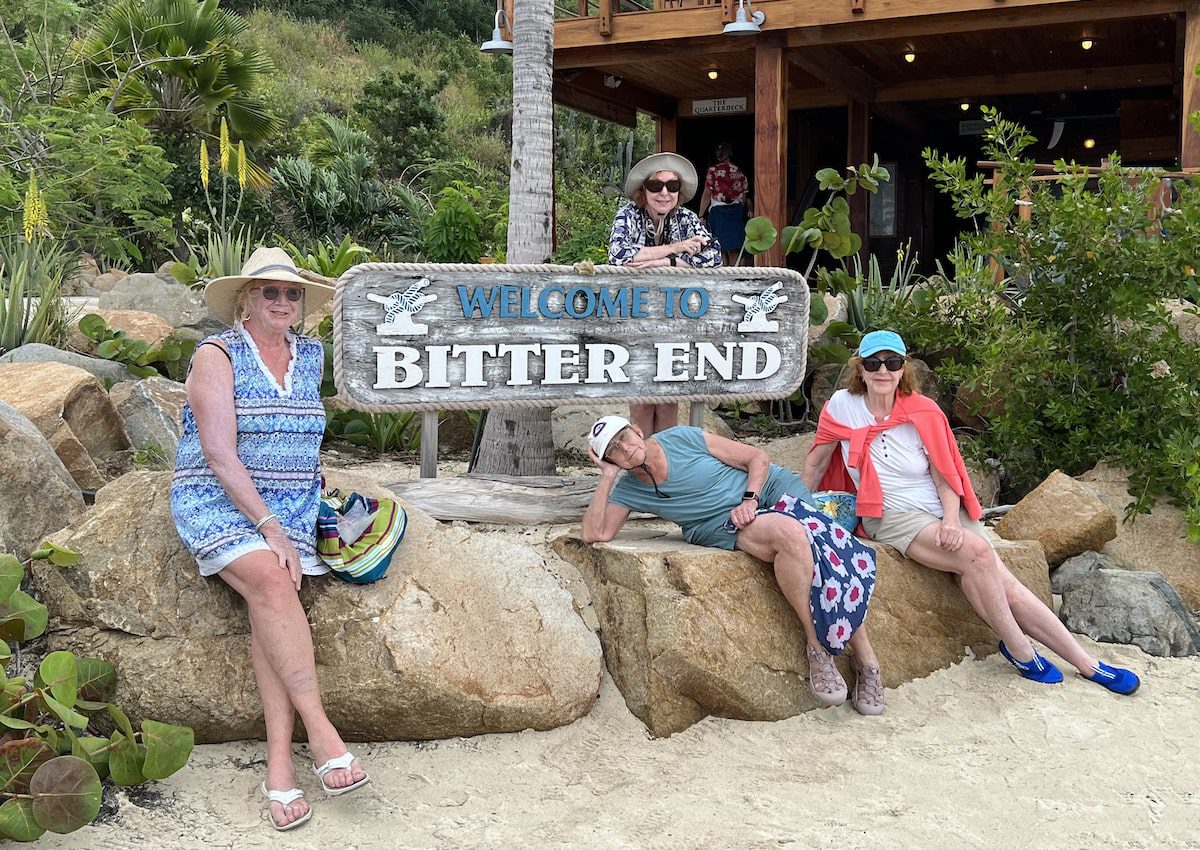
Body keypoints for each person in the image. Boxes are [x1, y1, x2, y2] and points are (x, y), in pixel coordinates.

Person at [803, 330, 1140, 695]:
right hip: (888, 512)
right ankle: (1021, 649)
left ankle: (1086, 663)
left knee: (1003, 579)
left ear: (903, 368)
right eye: (873, 363)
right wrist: (798, 506)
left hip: (935, 504)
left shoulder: (922, 411)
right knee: (978, 554)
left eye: (892, 362)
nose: (882, 371)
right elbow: (817, 461)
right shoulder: (841, 406)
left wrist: (950, 519)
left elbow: (944, 474)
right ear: (861, 370)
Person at [171, 246, 370, 832]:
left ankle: (279, 766)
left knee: (273, 600)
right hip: (220, 498)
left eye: (291, 293)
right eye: (269, 292)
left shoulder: (308, 354)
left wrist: (314, 488)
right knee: (270, 576)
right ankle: (321, 730)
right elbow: (218, 452)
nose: (283, 301)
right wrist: (269, 527)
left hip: (294, 501)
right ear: (245, 299)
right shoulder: (217, 353)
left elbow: (304, 431)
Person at [582, 415, 886, 715]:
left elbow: (757, 457)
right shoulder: (628, 488)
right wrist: (607, 478)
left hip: (765, 489)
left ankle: (866, 659)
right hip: (722, 522)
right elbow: (596, 533)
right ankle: (817, 646)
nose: (624, 449)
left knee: (820, 541)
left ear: (637, 429)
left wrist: (750, 499)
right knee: (793, 534)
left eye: (624, 437)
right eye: (613, 451)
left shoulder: (680, 438)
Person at [608, 152, 722, 437]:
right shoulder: (628, 214)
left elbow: (714, 256)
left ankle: (661, 471)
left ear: (679, 192)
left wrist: (661, 262)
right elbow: (620, 255)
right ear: (642, 190)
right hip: (636, 317)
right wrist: (676, 248)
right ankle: (640, 467)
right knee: (641, 400)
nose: (663, 193)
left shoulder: (687, 218)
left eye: (672, 186)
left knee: (669, 399)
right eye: (655, 185)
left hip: (675, 318)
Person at [698, 142, 751, 266]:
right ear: (730, 153)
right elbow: (744, 196)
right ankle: (736, 277)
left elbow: (707, 192)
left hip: (718, 213)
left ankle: (724, 277)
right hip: (736, 213)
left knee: (720, 247)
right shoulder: (739, 172)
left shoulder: (713, 171)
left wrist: (701, 215)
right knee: (734, 248)